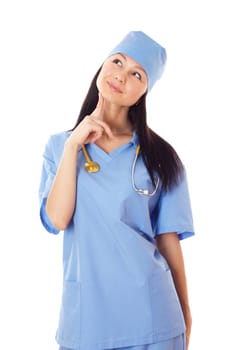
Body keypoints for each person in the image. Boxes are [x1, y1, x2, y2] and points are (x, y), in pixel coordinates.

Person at [39, 31, 195, 350]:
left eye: (136, 74)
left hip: (155, 321)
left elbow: (168, 241)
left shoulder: (161, 157)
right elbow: (56, 219)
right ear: (102, 66)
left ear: (143, 92)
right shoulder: (60, 147)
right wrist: (73, 147)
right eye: (117, 62)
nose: (121, 75)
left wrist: (186, 314)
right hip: (87, 324)